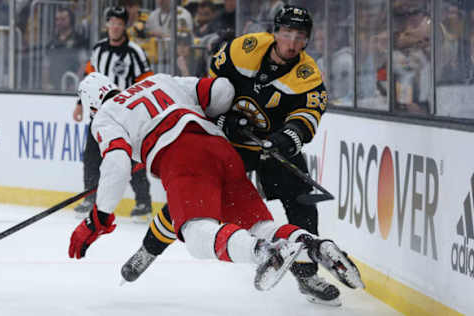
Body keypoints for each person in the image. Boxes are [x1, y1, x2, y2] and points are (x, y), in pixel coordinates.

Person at [123, 5, 344, 307]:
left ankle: (307, 275)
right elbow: (209, 88)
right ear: (276, 32)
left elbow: (309, 115)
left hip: (271, 148)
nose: (292, 43)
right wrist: (222, 118)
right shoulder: (244, 49)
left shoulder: (307, 75)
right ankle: (148, 251)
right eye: (287, 33)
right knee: (189, 204)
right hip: (224, 141)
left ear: (307, 40)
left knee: (302, 201)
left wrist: (287, 137)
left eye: (300, 37)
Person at [68, 71, 364, 296]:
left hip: (183, 160)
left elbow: (116, 164)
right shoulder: (158, 80)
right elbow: (221, 91)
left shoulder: (104, 116)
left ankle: (264, 252)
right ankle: (312, 244)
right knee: (258, 224)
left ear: (92, 106)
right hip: (222, 149)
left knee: (197, 235)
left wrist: (98, 220)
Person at [72, 6, 154, 220]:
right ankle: (90, 198)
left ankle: (143, 202)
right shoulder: (99, 49)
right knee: (91, 157)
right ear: (107, 24)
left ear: (124, 25)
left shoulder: (134, 52)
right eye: (112, 22)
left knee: (133, 159)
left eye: (119, 23)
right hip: (97, 115)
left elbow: (145, 82)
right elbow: (89, 79)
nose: (115, 27)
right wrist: (80, 104)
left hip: (125, 118)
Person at [43, 7, 87, 91]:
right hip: (53, 88)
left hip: (72, 88)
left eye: (63, 19)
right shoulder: (51, 41)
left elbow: (83, 64)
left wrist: (76, 82)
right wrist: (45, 84)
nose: (59, 22)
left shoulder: (79, 40)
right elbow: (46, 66)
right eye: (57, 19)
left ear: (71, 20)